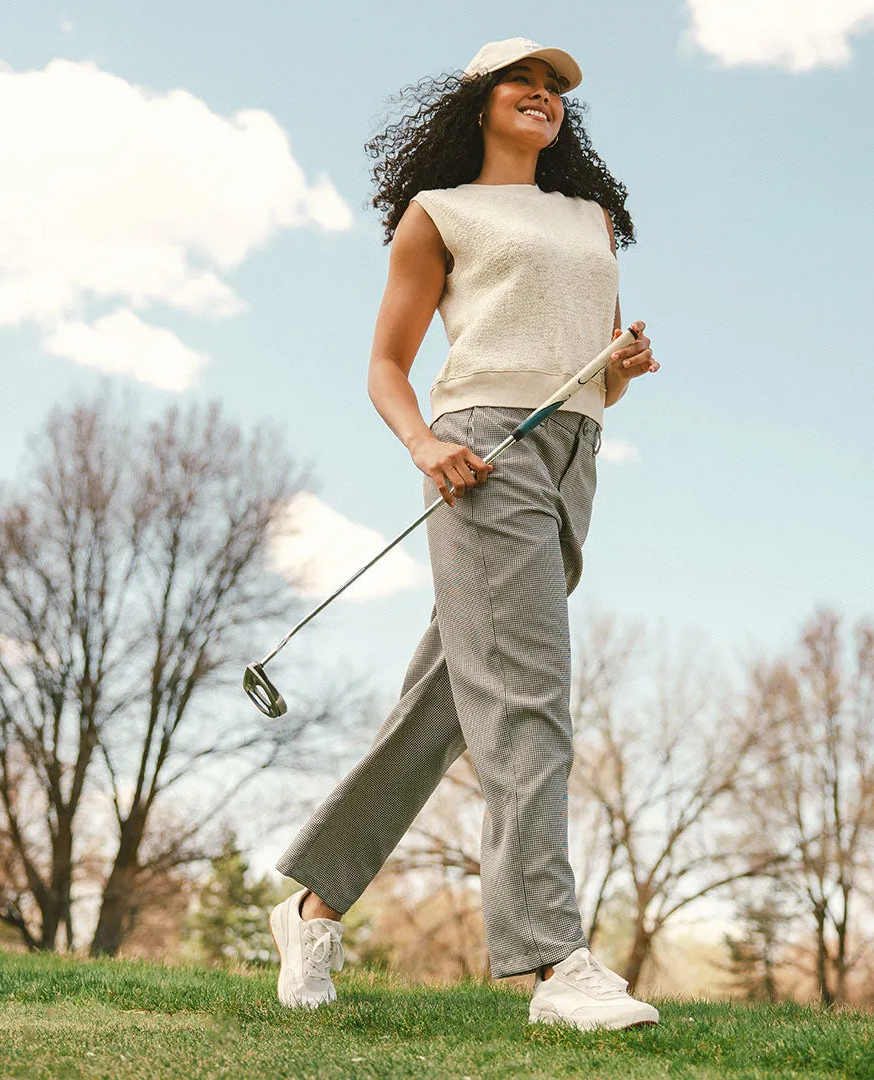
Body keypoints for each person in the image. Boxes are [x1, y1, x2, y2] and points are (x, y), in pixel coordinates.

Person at [269, 37, 660, 1030]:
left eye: (556, 88)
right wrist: (423, 445)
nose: (543, 96)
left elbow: (596, 371)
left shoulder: (591, 218)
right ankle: (549, 960)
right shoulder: (438, 215)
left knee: (447, 705)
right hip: (485, 451)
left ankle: (310, 903)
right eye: (522, 82)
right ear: (479, 103)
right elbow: (387, 366)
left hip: (575, 450)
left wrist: (623, 362)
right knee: (531, 694)